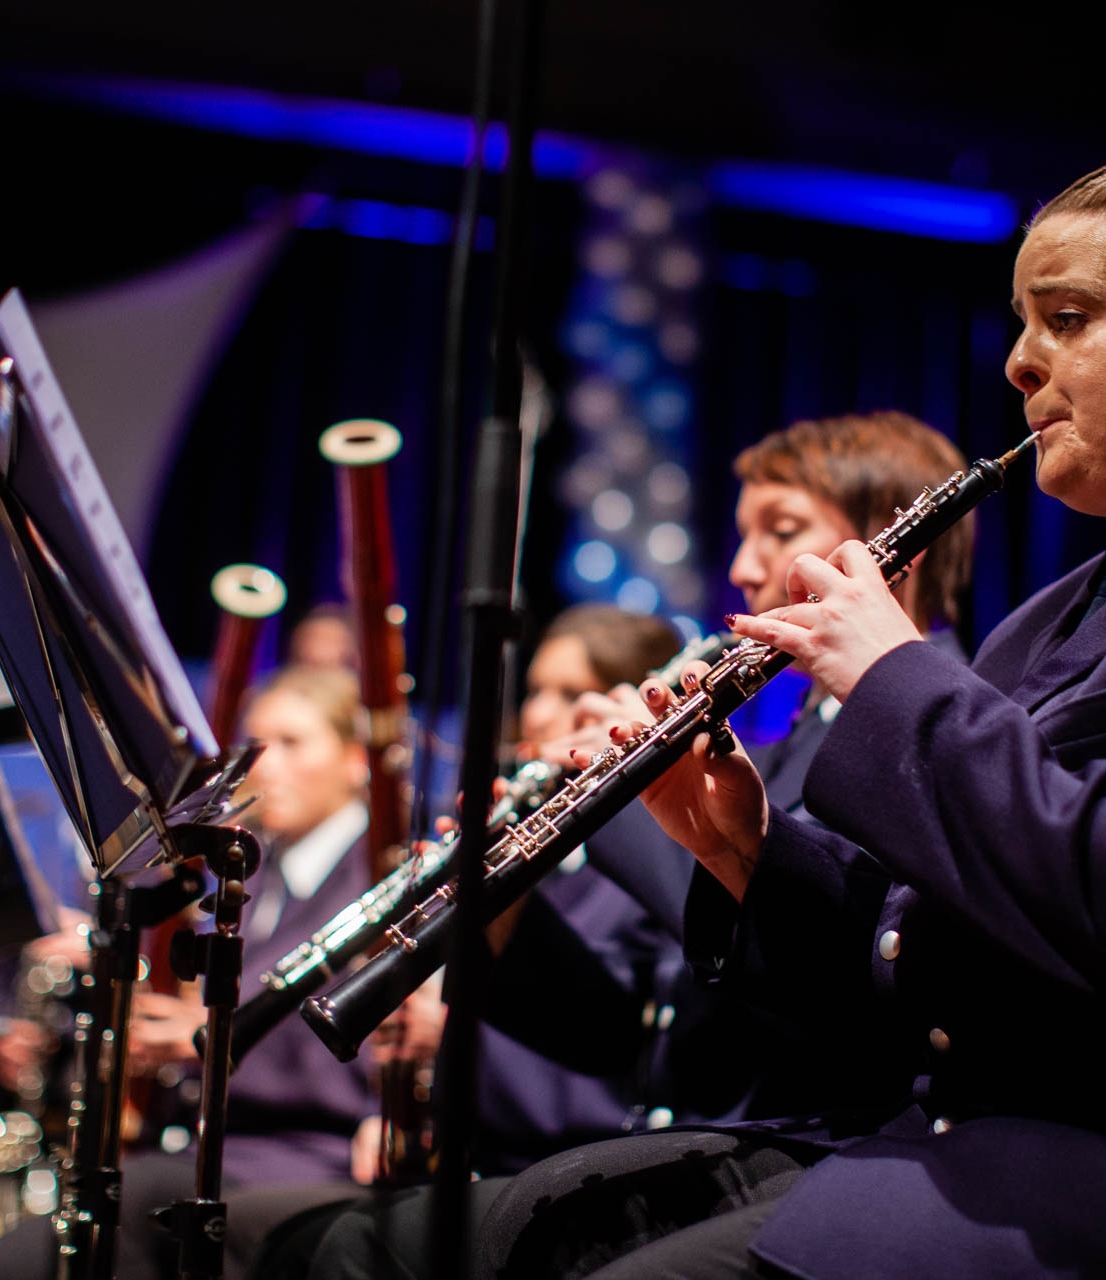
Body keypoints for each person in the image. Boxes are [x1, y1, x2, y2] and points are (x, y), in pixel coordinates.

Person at [470, 134, 1106, 1278]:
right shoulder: (1054, 615)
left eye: (1067, 318)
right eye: (1023, 323)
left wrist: (894, 676)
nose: (1019, 363)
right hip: (1046, 1146)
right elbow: (923, 957)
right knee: (519, 1232)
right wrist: (749, 850)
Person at [298, 413, 980, 1279]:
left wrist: (623, 792)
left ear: (894, 539)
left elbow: (837, 977)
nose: (745, 568)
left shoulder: (943, 712)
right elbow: (626, 1028)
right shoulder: (786, 743)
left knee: (371, 1248)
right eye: (744, 535)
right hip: (696, 1132)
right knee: (345, 1240)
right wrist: (504, 914)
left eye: (781, 530)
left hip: (837, 1146)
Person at [0, 664, 384, 1280]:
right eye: (256, 745)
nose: (266, 766)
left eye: (293, 742)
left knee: (106, 1214)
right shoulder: (260, 869)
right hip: (208, 1135)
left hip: (297, 1150)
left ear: (356, 759)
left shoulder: (378, 874)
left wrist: (209, 1035)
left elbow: (354, 1038)